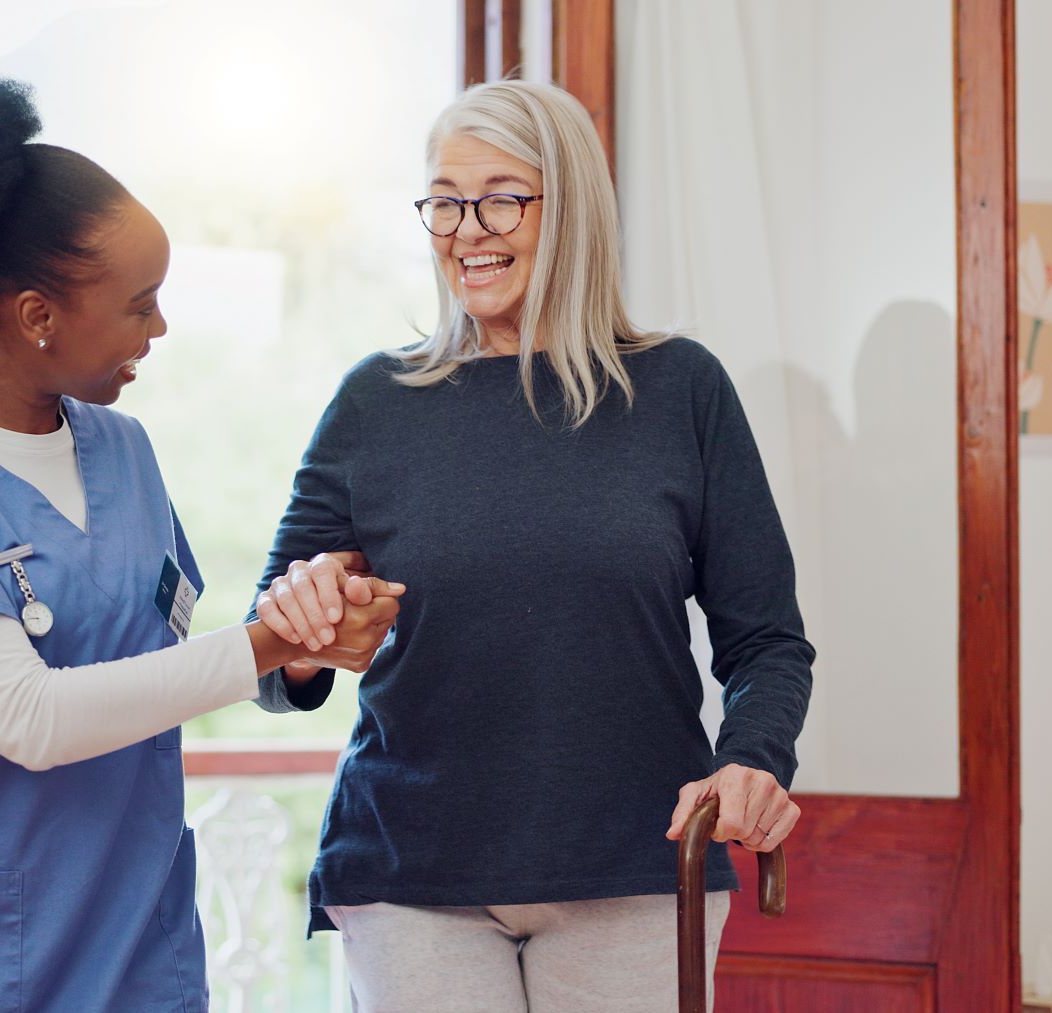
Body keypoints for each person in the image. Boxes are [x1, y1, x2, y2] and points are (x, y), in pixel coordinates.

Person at [0, 66, 401, 1012]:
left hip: (130, 938)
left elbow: (160, 666)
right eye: (139, 303)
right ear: (39, 315)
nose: (160, 326)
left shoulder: (124, 452)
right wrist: (267, 645)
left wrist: (304, 646)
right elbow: (30, 718)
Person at [251, 80, 815, 1011]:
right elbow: (275, 656)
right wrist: (306, 630)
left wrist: (752, 757)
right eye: (444, 200)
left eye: (502, 196)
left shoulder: (681, 390)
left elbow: (765, 641)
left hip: (636, 863)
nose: (467, 229)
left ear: (574, 209)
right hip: (412, 870)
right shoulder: (375, 403)